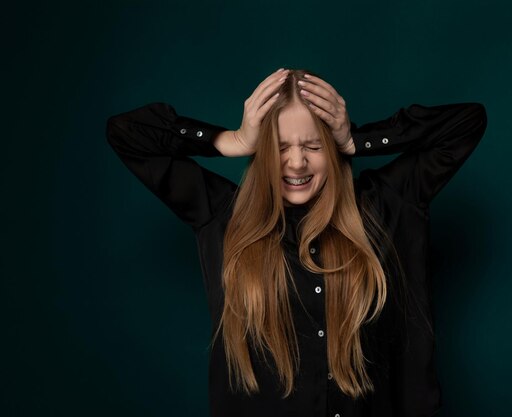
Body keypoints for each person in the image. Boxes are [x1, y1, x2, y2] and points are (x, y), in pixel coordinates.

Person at [106, 68, 487, 417]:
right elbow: (125, 132)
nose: (297, 163)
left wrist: (357, 140)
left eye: (313, 146)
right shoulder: (223, 216)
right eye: (280, 147)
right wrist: (232, 139)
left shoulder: (385, 207)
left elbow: (467, 122)